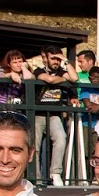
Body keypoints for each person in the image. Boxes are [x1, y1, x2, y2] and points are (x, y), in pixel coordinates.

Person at [32, 47, 76, 185]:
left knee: (61, 138)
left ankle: (55, 172)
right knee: (35, 146)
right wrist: (62, 79)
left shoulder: (62, 71)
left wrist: (66, 62)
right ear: (46, 59)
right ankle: (37, 177)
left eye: (58, 59)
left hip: (54, 114)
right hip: (38, 113)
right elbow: (49, 80)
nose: (56, 61)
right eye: (53, 58)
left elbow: (74, 78)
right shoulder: (38, 70)